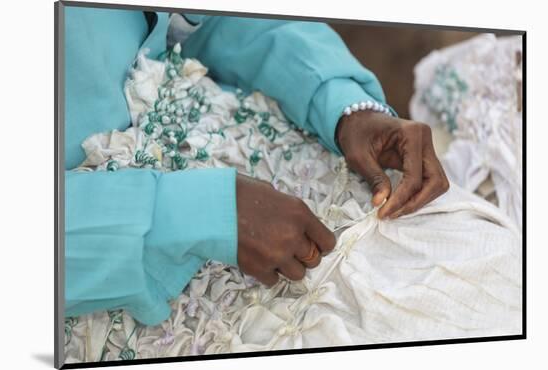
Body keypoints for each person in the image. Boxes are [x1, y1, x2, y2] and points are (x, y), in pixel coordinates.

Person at [64, 6, 449, 326]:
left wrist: (344, 105)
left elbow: (224, 17)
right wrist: (199, 214)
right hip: (98, 268)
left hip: (225, 128)